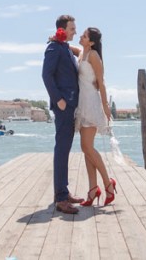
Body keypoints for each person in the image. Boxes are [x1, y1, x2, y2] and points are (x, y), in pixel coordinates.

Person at [41, 13, 83, 215]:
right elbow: (46, 75)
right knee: (62, 149)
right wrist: (59, 100)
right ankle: (60, 198)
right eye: (72, 28)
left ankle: (63, 192)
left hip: (71, 104)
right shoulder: (53, 48)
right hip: (63, 105)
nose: (75, 31)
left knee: (65, 149)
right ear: (63, 29)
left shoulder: (64, 47)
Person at [75, 27, 117, 206]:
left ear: (91, 41)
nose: (80, 36)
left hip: (91, 102)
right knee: (86, 148)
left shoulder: (93, 55)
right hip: (81, 103)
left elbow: (101, 82)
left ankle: (108, 183)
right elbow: (74, 49)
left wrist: (106, 106)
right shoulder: (82, 53)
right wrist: (57, 40)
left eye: (84, 36)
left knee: (87, 147)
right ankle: (93, 189)